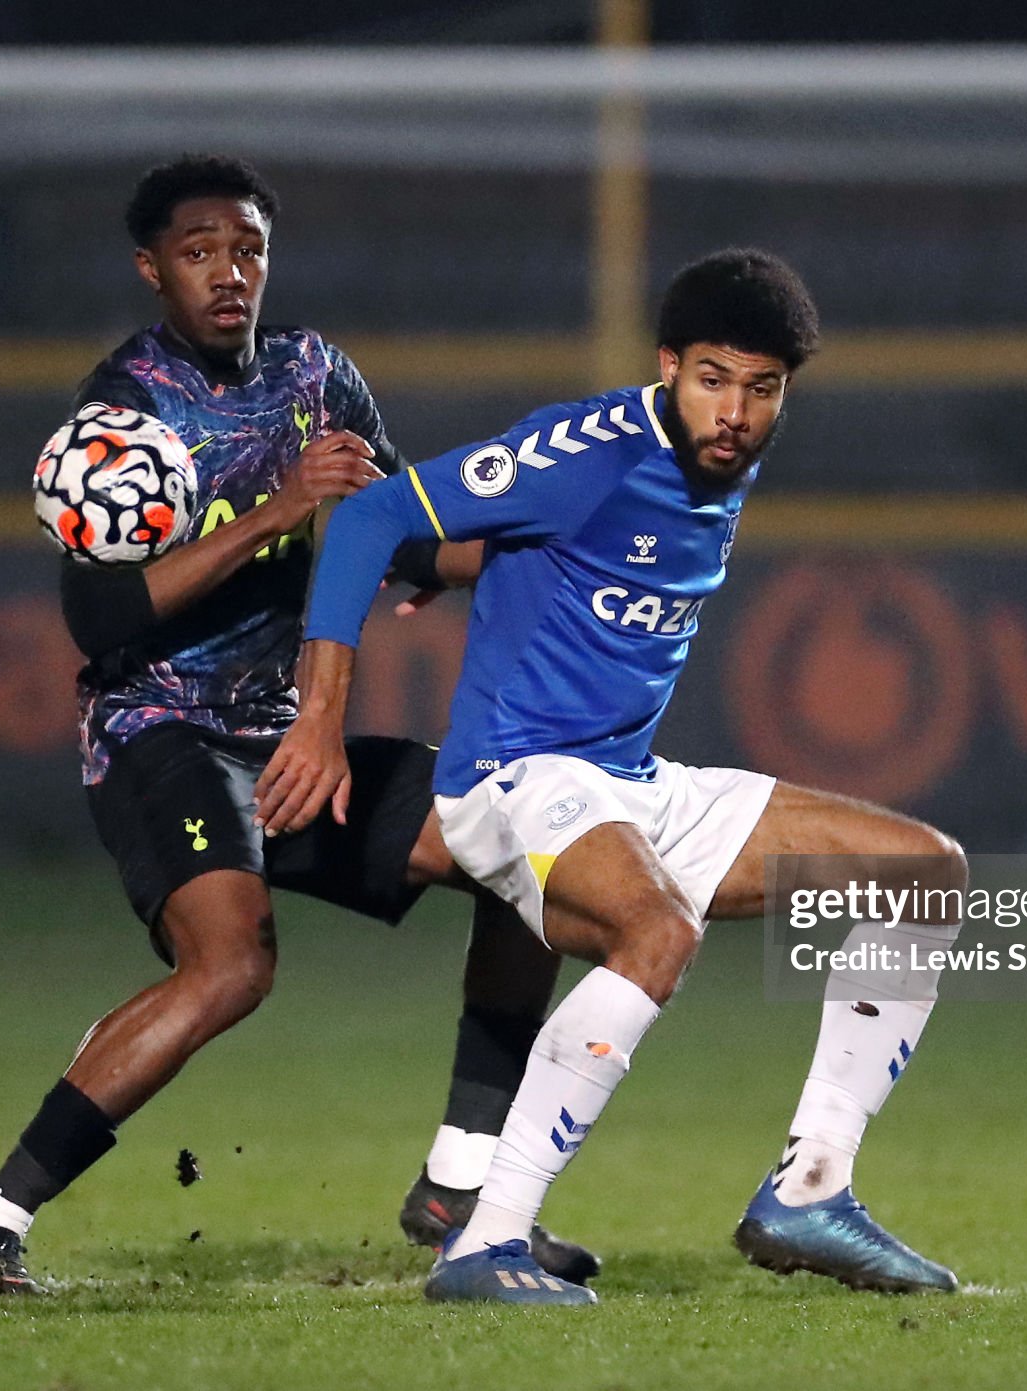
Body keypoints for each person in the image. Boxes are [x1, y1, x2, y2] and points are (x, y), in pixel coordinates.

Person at [0, 155, 595, 1294]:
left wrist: (530, 550)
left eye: (247, 250)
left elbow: (401, 526)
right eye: (198, 252)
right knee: (230, 965)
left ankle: (459, 1183)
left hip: (282, 742)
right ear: (151, 268)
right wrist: (281, 510)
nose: (228, 274)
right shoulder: (121, 410)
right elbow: (101, 615)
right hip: (155, 730)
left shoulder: (316, 372)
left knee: (527, 856)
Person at [259, 248, 968, 1305]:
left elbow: (529, 558)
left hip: (625, 783)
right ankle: (483, 1240)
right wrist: (320, 720)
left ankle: (811, 1186)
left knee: (923, 872)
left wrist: (448, 567)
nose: (733, 411)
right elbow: (367, 515)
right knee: (657, 928)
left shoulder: (723, 460)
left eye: (761, 388)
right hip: (512, 778)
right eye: (712, 379)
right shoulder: (589, 445)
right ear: (667, 365)